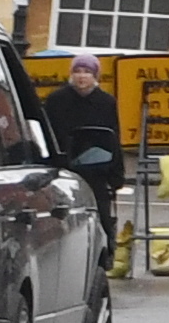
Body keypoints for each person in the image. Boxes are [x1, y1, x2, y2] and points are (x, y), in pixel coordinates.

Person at [39, 55, 123, 237]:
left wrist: (116, 175)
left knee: (102, 216)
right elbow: (47, 133)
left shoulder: (106, 102)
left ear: (95, 76)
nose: (81, 76)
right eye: (77, 71)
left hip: (96, 168)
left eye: (87, 72)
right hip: (63, 165)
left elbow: (113, 138)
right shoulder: (56, 100)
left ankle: (107, 250)